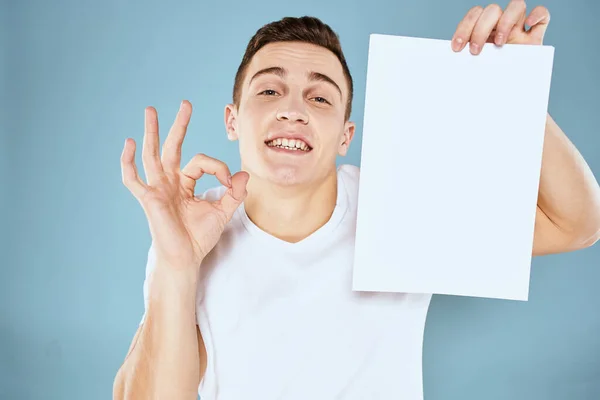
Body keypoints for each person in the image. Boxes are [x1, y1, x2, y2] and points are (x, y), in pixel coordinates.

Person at [113, 3, 600, 399]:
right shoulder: (193, 230)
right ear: (233, 120)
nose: (292, 109)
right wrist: (176, 265)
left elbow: (577, 224)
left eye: (320, 98)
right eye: (269, 89)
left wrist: (517, 90)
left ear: (346, 135)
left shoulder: (396, 202)